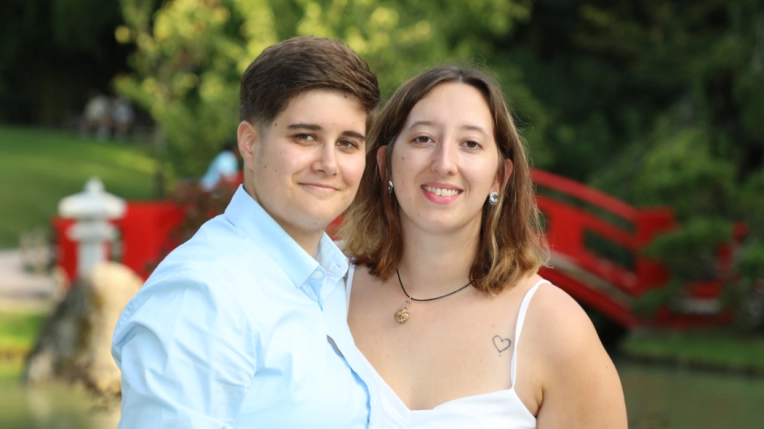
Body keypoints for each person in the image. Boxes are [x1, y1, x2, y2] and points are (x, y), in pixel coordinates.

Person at [112, 36, 381, 428]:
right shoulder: (202, 296)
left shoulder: (333, 278)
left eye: (347, 143)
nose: (329, 163)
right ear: (250, 143)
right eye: (305, 137)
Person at [340, 66, 628, 428]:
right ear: (384, 164)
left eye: (470, 144)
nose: (444, 163)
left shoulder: (555, 328)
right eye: (423, 139)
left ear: (499, 177)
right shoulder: (325, 287)